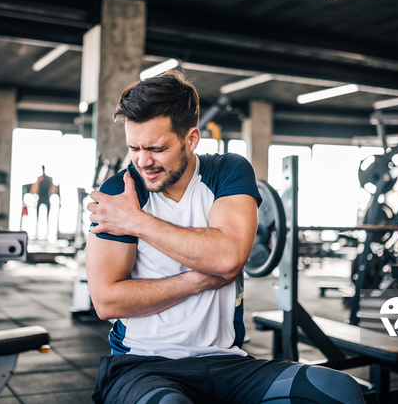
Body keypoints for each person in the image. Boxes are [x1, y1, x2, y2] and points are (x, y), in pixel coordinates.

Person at [86, 71, 365, 404]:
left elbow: (227, 258)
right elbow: (107, 301)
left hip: (227, 362)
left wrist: (137, 222)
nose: (143, 161)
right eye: (135, 148)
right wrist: (197, 281)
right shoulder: (120, 193)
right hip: (142, 365)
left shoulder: (227, 171)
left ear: (191, 139)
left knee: (339, 391)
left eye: (157, 148)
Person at [36, 165, 53, 237]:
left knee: (47, 216)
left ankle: (48, 232)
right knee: (38, 216)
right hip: (42, 197)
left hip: (45, 197)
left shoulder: (47, 179)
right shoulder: (41, 178)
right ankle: (37, 231)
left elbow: (51, 189)